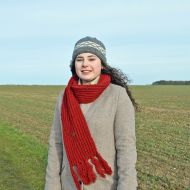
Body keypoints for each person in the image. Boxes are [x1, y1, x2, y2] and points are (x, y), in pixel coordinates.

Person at [44, 36, 138, 190]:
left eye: (91, 59)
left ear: (101, 64)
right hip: (70, 184)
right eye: (79, 59)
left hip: (105, 185)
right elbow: (56, 144)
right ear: (74, 64)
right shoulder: (64, 96)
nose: (85, 64)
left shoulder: (117, 95)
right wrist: (52, 186)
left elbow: (126, 146)